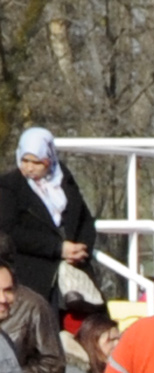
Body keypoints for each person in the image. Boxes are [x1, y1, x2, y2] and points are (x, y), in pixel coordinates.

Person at [0, 128, 94, 311]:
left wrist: (82, 249)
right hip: (33, 274)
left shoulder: (64, 181)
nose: (29, 167)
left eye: (37, 162)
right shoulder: (9, 186)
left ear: (49, 159)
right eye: (25, 160)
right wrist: (57, 248)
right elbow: (10, 231)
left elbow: (84, 220)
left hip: (72, 275)